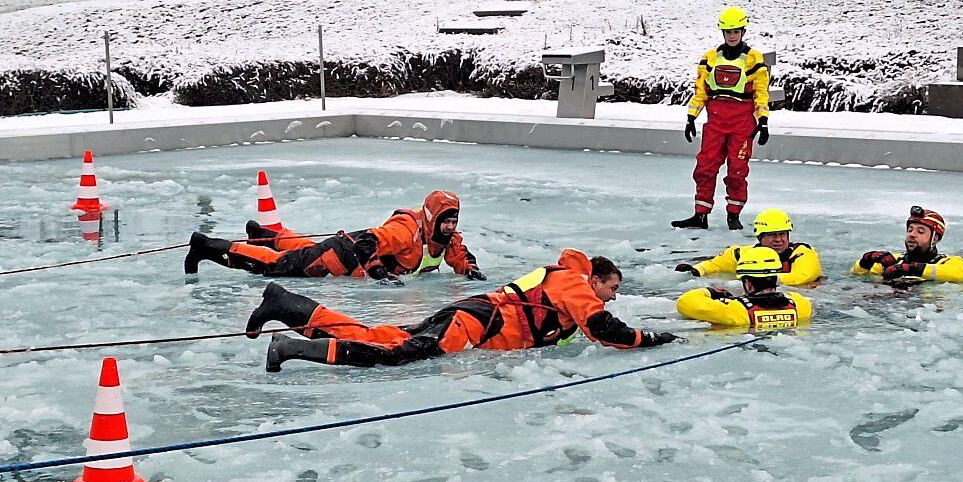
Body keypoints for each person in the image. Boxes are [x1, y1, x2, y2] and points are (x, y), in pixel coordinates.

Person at [248, 249, 682, 370]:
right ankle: (291, 348)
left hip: (472, 315)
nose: (613, 296)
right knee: (398, 356)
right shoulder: (574, 281)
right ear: (597, 279)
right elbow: (607, 329)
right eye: (613, 287)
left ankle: (287, 305)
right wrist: (649, 339)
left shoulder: (564, 284)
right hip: (474, 324)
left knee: (381, 335)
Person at [184, 190, 484, 283]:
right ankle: (206, 245)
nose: (450, 226)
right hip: (342, 257)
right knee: (278, 266)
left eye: (453, 220)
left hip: (342, 252)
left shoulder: (446, 237)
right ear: (432, 219)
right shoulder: (406, 229)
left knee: (307, 249)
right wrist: (379, 273)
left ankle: (263, 233)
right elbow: (368, 243)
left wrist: (469, 269)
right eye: (446, 220)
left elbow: (459, 254)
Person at [672, 6, 771, 231]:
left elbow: (761, 93)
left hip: (742, 120)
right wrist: (691, 117)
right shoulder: (710, 58)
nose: (732, 35)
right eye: (728, 31)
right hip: (715, 119)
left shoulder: (754, 58)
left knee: (737, 169)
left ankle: (733, 215)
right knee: (705, 167)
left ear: (743, 31)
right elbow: (701, 91)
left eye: (736, 31)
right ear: (722, 33)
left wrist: (763, 120)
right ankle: (700, 214)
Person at [674, 208, 821, 286]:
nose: (778, 240)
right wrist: (696, 271)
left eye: (782, 234)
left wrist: (764, 280)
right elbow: (715, 265)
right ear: (759, 237)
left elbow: (802, 277)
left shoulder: (802, 253)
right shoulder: (741, 254)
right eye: (772, 235)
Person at [676, 246, 812, 329]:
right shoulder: (800, 305)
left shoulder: (735, 311)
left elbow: (686, 302)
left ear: (748, 283)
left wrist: (713, 291)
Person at [851, 206, 963, 285]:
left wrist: (912, 269)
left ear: (935, 239)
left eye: (920, 231)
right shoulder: (895, 261)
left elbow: (957, 274)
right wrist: (865, 261)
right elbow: (855, 275)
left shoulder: (950, 262)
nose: (912, 235)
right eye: (910, 230)